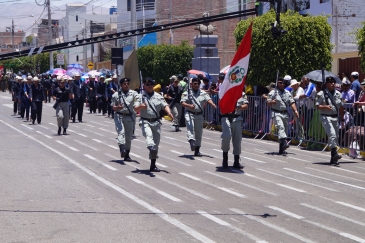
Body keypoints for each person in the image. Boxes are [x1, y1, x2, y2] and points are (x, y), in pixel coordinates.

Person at [134, 77, 173, 172]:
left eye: (151, 84)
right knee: (148, 135)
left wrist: (169, 112)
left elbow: (165, 105)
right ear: (144, 85)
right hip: (145, 121)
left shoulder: (158, 96)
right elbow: (135, 108)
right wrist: (141, 107)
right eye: (148, 85)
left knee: (156, 144)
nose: (150, 86)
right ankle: (150, 147)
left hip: (156, 122)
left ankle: (153, 164)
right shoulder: (140, 96)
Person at [181, 77, 217, 156]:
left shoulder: (203, 93)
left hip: (199, 114)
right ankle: (191, 141)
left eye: (198, 84)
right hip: (189, 113)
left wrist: (212, 104)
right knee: (190, 127)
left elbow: (208, 99)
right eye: (195, 84)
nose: (196, 85)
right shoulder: (187, 93)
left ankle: (197, 150)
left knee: (198, 133)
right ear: (191, 84)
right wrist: (189, 105)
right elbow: (182, 103)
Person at [316, 76, 344, 165]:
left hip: (335, 117)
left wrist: (342, 117)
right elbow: (317, 106)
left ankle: (333, 159)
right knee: (331, 134)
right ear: (326, 84)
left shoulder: (338, 94)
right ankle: (335, 154)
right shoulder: (321, 94)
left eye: (333, 82)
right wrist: (325, 107)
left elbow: (341, 106)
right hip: (326, 117)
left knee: (335, 136)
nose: (333, 84)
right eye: (330, 82)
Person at [267, 77, 299, 154]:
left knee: (284, 130)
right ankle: (284, 142)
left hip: (284, 113)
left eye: (283, 83)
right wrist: (272, 102)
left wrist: (295, 110)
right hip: (276, 112)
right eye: (280, 82)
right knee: (280, 127)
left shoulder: (287, 93)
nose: (282, 84)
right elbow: (268, 102)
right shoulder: (273, 93)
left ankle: (281, 149)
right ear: (277, 83)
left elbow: (292, 102)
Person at [112, 78, 138, 161]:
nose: (126, 85)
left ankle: (127, 154)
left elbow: (137, 101)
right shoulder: (116, 95)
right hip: (119, 116)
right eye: (124, 84)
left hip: (129, 116)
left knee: (128, 136)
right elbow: (113, 107)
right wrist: (117, 107)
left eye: (127, 83)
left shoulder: (133, 93)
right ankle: (122, 149)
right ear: (121, 85)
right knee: (121, 132)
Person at [220, 91, 249, 169]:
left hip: (237, 118)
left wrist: (238, 107)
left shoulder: (241, 93)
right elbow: (220, 104)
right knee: (226, 136)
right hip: (226, 117)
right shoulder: (225, 91)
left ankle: (236, 161)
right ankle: (225, 159)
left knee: (237, 140)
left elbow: (246, 105)